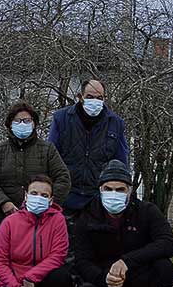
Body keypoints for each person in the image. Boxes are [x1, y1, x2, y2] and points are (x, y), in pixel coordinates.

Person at [73, 160, 173, 287]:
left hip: (141, 281)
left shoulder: (147, 211)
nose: (114, 194)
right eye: (108, 188)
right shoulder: (87, 216)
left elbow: (169, 244)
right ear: (100, 189)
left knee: (165, 269)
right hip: (106, 284)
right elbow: (81, 260)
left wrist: (126, 262)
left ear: (129, 191)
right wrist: (104, 277)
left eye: (120, 189)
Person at [0, 100, 71, 226]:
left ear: (34, 123)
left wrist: (47, 203)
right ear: (10, 124)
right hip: (8, 218)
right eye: (17, 121)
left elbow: (63, 178)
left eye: (27, 120)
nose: (22, 124)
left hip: (43, 219)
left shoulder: (47, 149)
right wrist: (3, 203)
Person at [47, 79, 129, 216]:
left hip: (98, 198)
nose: (95, 101)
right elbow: (51, 157)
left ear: (105, 99)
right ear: (80, 97)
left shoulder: (115, 123)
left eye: (99, 98)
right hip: (66, 196)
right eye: (90, 97)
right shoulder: (61, 119)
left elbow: (121, 162)